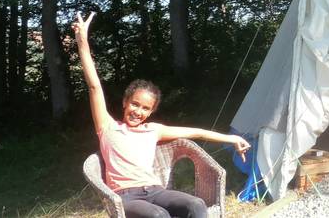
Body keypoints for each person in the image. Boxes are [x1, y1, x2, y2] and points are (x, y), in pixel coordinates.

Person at [72, 12, 251, 218]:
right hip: (126, 197)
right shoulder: (107, 126)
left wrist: (232, 138)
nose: (138, 111)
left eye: (145, 108)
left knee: (196, 204)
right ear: (125, 102)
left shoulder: (153, 130)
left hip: (156, 191)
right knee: (159, 216)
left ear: (150, 112)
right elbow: (94, 86)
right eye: (135, 104)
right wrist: (82, 42)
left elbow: (197, 132)